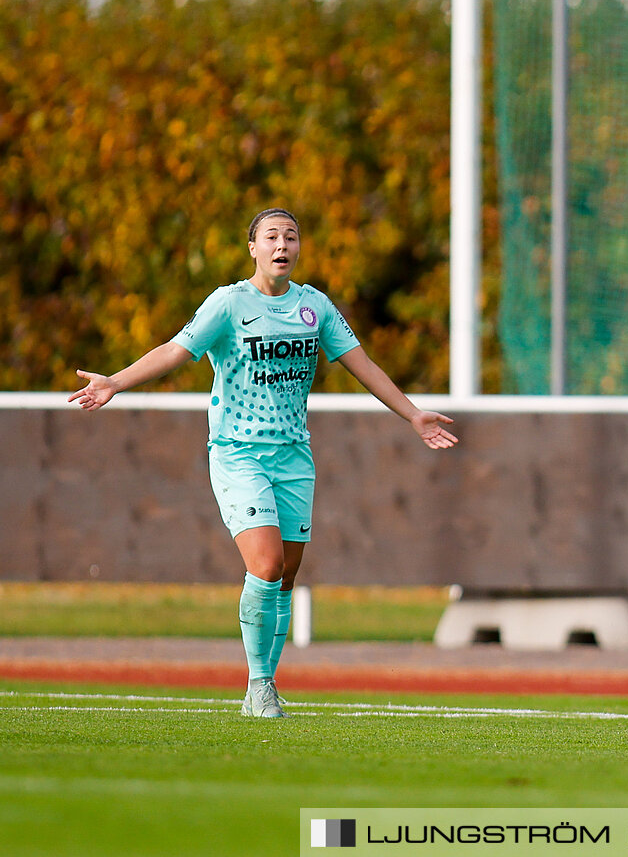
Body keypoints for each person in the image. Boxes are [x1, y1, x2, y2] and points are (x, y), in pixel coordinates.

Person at [69, 208, 458, 718]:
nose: (282, 244)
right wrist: (116, 381)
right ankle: (258, 685)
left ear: (298, 248)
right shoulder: (229, 304)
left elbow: (362, 364)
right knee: (267, 564)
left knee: (286, 575)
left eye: (291, 237)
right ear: (252, 247)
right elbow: (175, 349)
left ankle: (266, 685)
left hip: (294, 455)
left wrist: (412, 415)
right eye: (271, 236)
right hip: (238, 452)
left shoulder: (314, 306)